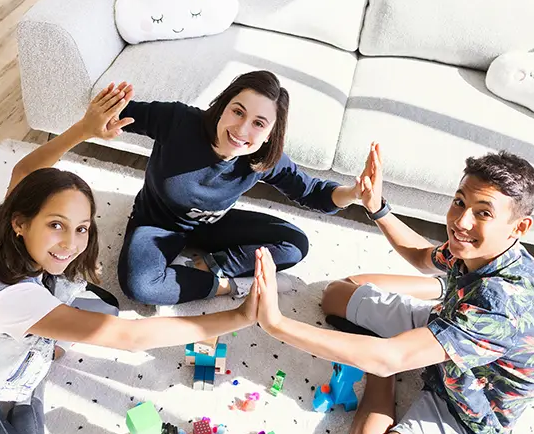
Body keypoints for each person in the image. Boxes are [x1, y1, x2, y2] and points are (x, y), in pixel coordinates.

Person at [0, 85, 260, 434]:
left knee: (104, 308)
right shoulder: (16, 301)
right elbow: (131, 338)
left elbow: (25, 168)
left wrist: (85, 130)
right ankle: (27, 376)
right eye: (56, 225)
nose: (71, 244)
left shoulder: (1, 222)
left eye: (81, 228)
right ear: (22, 222)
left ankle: (30, 361)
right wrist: (239, 316)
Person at [252, 144, 534, 434]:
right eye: (459, 201)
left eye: (483, 212)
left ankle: (384, 367)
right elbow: (422, 256)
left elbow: (389, 358)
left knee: (372, 407)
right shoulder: (478, 248)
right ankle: (401, 338)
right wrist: (377, 208)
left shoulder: (502, 304)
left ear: (519, 227)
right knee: (336, 295)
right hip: (445, 322)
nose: (461, 222)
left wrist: (276, 324)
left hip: (469, 404)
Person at [110, 70, 362, 305]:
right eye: (238, 112)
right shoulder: (178, 122)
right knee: (141, 286)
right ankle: (232, 286)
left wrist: (354, 193)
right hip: (156, 224)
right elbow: (117, 113)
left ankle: (216, 264)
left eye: (259, 123)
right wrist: (106, 119)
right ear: (223, 106)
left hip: (213, 225)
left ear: (271, 134)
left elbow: (312, 192)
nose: (242, 130)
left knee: (295, 244)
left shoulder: (262, 159)